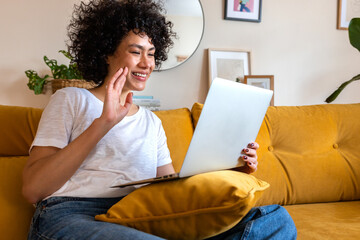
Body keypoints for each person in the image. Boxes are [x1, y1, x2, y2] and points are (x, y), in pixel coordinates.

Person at [22, 0, 297, 239]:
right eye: (135, 51)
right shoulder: (71, 99)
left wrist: (233, 170)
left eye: (151, 54)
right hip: (71, 214)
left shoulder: (152, 123)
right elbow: (34, 189)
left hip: (140, 215)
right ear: (106, 53)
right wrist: (103, 123)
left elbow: (173, 193)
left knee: (275, 221)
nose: (147, 63)